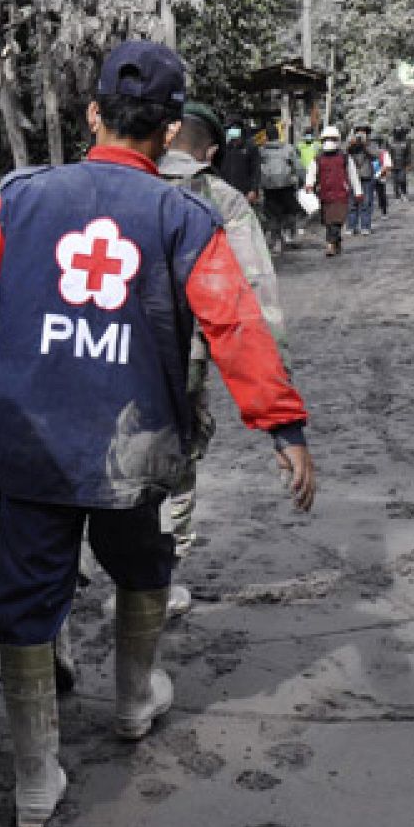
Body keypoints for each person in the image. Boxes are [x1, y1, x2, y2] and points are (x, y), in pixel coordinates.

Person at [0, 41, 315, 827]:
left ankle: (36, 778)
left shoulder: (24, 199)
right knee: (144, 562)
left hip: (34, 445)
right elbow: (235, 323)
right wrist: (282, 426)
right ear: (173, 129)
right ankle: (136, 699)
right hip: (132, 447)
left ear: (93, 114)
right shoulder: (184, 216)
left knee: (27, 598)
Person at [157, 101, 290, 566]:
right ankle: (160, 575)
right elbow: (254, 300)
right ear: (211, 152)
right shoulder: (221, 200)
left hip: (97, 352)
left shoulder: (114, 185)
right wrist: (280, 414)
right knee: (177, 455)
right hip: (181, 359)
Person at [305, 125, 361, 257]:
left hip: (341, 194)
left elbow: (353, 175)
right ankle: (335, 242)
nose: (329, 142)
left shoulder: (345, 158)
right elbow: (311, 173)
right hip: (324, 194)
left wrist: (358, 191)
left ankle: (330, 244)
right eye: (327, 139)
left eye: (332, 139)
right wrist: (309, 185)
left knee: (337, 220)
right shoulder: (318, 158)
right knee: (329, 221)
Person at [256, 121, 307, 251]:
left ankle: (276, 240)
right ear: (278, 135)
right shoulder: (288, 148)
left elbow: (256, 168)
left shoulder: (261, 151)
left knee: (273, 214)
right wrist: (304, 179)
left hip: (269, 187)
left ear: (267, 136)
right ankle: (289, 235)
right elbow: (298, 166)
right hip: (286, 185)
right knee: (290, 211)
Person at [217, 122, 261, 209]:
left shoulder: (250, 147)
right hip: (227, 192)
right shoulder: (225, 148)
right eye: (233, 138)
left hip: (245, 192)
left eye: (237, 138)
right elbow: (221, 168)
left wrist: (253, 190)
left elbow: (256, 170)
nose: (235, 141)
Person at [346, 126, 378, 236]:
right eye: (358, 133)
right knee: (351, 203)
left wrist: (365, 145)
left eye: (363, 133)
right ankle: (351, 226)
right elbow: (343, 153)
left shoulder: (371, 144)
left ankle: (365, 226)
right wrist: (350, 143)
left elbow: (375, 155)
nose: (360, 135)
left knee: (366, 202)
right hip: (352, 177)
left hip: (366, 176)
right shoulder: (351, 143)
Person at [389, 127, 413, 199]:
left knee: (402, 179)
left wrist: (408, 164)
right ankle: (397, 195)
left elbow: (408, 154)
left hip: (403, 164)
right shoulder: (391, 142)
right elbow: (388, 153)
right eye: (397, 132)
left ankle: (404, 193)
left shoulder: (406, 142)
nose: (398, 134)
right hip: (393, 164)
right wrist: (388, 164)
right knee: (395, 181)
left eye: (399, 132)